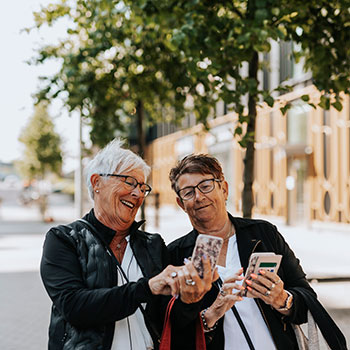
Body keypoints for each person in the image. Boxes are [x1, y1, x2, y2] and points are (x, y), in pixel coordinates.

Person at [167, 154, 347, 350]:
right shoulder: (175, 255)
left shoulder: (263, 234)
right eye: (188, 192)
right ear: (180, 203)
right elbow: (173, 330)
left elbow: (306, 299)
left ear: (224, 189)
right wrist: (211, 314)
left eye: (205, 186)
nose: (199, 197)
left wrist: (283, 299)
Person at [40, 139, 182, 350]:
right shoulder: (64, 239)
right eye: (129, 182)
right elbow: (74, 306)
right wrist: (146, 288)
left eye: (143, 187)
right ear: (97, 182)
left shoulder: (152, 245)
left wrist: (194, 298)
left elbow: (169, 316)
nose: (138, 194)